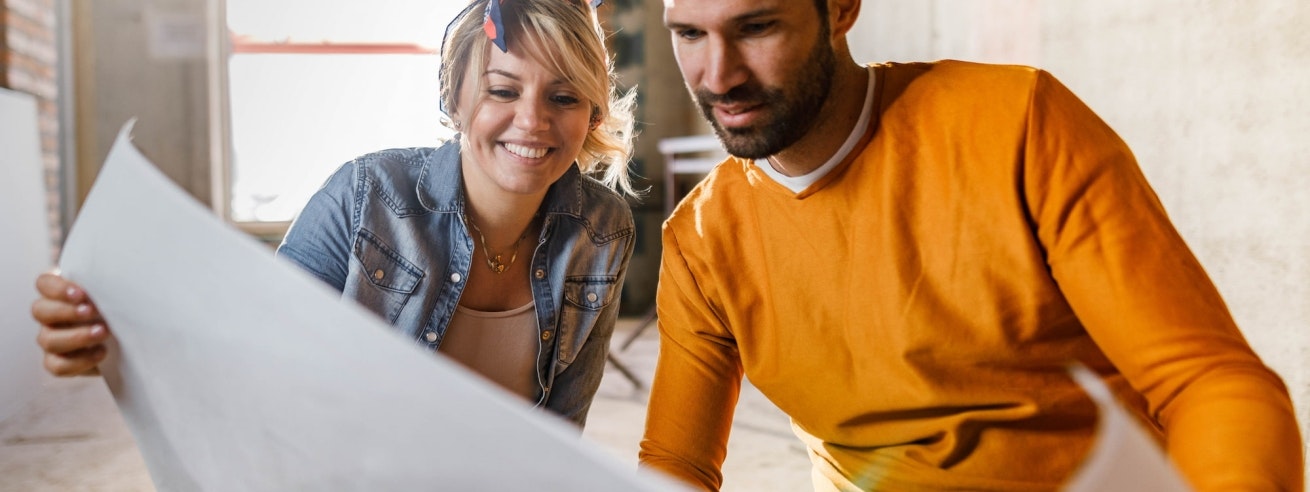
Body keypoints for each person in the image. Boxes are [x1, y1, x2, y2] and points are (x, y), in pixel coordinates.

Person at [638, 0, 1303, 490]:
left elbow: (1209, 384)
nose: (718, 76)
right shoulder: (702, 239)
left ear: (840, 9)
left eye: (756, 28)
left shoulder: (1018, 123)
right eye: (689, 34)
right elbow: (677, 466)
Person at [32, 0, 637, 428]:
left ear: (590, 114)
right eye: (503, 90)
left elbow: (559, 435)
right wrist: (117, 339)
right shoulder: (367, 194)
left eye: (563, 97)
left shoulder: (604, 231)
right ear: (455, 98)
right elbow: (249, 347)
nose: (532, 121)